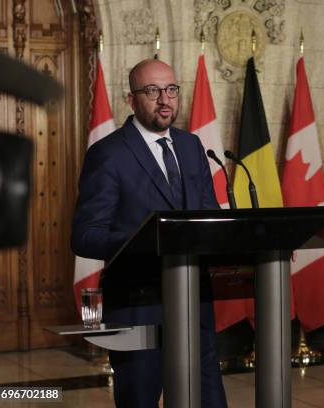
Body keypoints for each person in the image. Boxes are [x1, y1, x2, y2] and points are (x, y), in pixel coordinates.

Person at [71, 59, 227, 408]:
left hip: (193, 302)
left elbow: (209, 216)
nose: (164, 100)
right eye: (152, 91)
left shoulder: (191, 146)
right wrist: (143, 242)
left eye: (171, 89)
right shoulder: (108, 154)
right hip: (137, 307)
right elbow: (84, 235)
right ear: (131, 99)